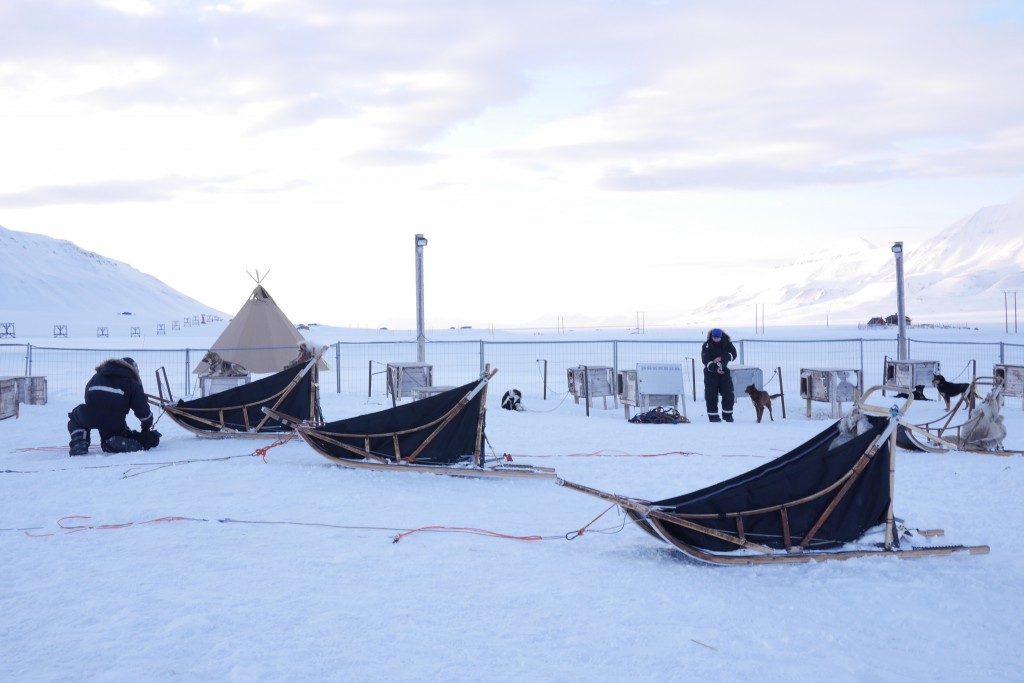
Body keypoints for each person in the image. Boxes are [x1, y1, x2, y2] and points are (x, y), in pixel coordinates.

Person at [67, 357, 161, 455]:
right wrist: (146, 426)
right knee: (115, 436)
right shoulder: (131, 382)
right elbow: (143, 410)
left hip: (90, 414)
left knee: (75, 418)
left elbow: (87, 395)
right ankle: (109, 444)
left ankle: (79, 443)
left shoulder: (96, 376)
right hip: (113, 420)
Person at [701, 328, 738, 422]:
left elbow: (733, 354)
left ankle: (727, 415)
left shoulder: (727, 344)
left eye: (718, 337)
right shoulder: (706, 345)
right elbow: (705, 359)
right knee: (711, 394)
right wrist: (714, 368)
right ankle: (713, 416)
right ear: (711, 336)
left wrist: (722, 358)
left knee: (728, 393)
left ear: (721, 337)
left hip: (724, 372)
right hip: (711, 373)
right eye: (714, 337)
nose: (716, 339)